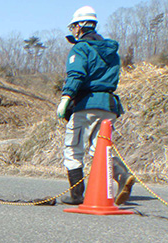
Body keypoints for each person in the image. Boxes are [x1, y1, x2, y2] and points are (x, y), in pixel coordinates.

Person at [57, 5, 136, 205]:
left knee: (73, 148)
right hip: (109, 106)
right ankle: (122, 175)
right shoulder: (111, 52)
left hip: (86, 104)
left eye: (74, 26)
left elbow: (76, 75)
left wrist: (66, 97)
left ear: (81, 25)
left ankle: (76, 195)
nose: (73, 30)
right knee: (100, 148)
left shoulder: (81, 48)